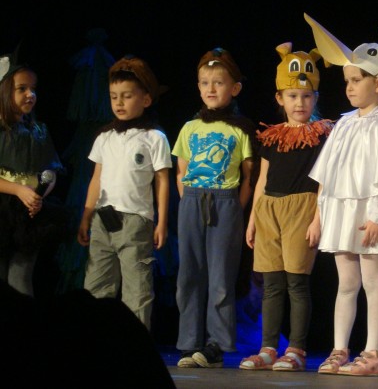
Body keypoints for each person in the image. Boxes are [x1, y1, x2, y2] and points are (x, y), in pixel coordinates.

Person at [304, 13, 378, 377]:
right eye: (347, 81)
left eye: (357, 80)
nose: (349, 87)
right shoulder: (345, 122)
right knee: (346, 284)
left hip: (369, 214)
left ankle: (373, 352)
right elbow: (326, 174)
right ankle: (340, 349)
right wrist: (319, 216)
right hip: (340, 211)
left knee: (371, 281)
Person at [238, 43, 332, 372]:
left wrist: (317, 219)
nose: (299, 103)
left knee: (296, 282)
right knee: (272, 284)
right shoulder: (272, 137)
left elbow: (324, 182)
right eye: (292, 96)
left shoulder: (322, 135)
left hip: (302, 208)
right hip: (269, 209)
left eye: (306, 96)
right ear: (280, 98)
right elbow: (262, 180)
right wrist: (253, 219)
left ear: (315, 98)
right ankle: (268, 348)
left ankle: (296, 349)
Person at [174, 48, 256, 368]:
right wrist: (188, 201)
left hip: (225, 202)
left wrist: (236, 207)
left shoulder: (240, 129)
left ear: (234, 88)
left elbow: (248, 176)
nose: (211, 88)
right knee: (189, 275)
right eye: (205, 82)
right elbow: (181, 171)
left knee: (220, 277)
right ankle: (189, 342)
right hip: (193, 201)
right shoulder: (189, 128)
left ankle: (216, 345)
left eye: (218, 82)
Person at [77, 55, 172, 330]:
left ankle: (135, 345)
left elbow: (162, 181)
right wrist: (86, 216)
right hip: (102, 219)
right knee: (96, 286)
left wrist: (161, 222)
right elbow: (96, 179)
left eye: (127, 96)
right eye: (114, 96)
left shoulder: (154, 137)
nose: (119, 102)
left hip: (136, 221)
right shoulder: (104, 137)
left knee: (137, 290)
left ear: (146, 99)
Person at [0, 52, 63, 297]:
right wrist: (17, 189)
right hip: (4, 207)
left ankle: (23, 321)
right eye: (22, 89)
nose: (30, 94)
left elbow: (51, 171)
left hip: (28, 211)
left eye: (33, 89)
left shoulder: (38, 131)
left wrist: (39, 197)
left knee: (21, 278)